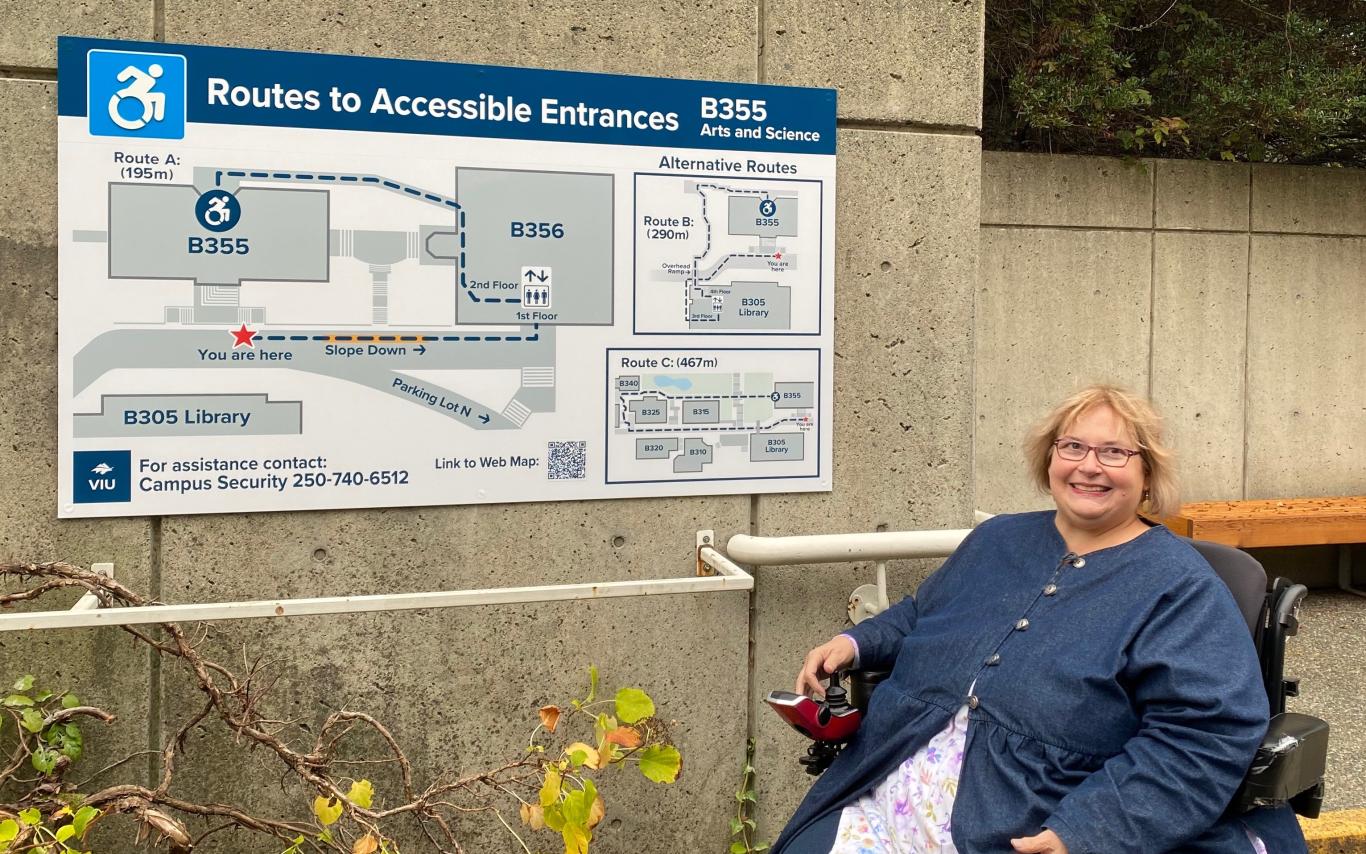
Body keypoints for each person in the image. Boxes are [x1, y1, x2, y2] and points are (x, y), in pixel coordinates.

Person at [773, 385, 1309, 854]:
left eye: (1114, 452)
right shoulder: (998, 538)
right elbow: (923, 612)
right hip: (886, 787)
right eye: (1072, 446)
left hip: (1036, 815)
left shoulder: (1180, 587)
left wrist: (1086, 831)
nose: (1088, 465)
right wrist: (855, 642)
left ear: (1148, 473)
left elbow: (1201, 736)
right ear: (1049, 459)